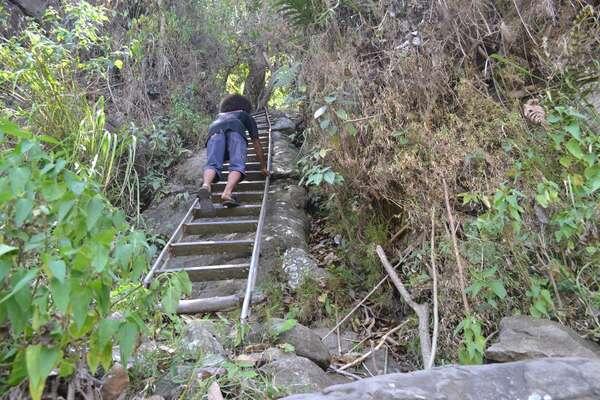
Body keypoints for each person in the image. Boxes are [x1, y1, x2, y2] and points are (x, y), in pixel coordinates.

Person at [197, 94, 268, 211]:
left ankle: (206, 185)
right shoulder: (244, 115)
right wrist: (263, 166)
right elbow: (256, 142)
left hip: (214, 130)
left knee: (212, 164)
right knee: (237, 164)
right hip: (235, 130)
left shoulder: (219, 116)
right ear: (245, 106)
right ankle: (227, 193)